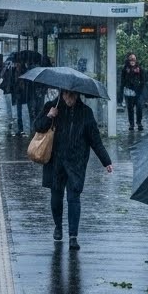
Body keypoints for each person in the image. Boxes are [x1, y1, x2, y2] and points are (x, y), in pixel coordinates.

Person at [34, 89, 112, 250]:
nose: (71, 98)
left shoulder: (86, 113)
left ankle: (73, 236)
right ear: (62, 94)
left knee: (73, 198)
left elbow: (95, 139)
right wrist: (49, 116)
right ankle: (58, 226)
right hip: (55, 161)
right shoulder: (51, 106)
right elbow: (38, 126)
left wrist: (106, 161)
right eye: (68, 94)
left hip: (76, 163)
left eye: (74, 95)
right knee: (56, 197)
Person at [121, 53, 148, 131]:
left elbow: (143, 80)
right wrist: (121, 90)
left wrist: (140, 90)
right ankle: (131, 124)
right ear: (128, 61)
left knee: (139, 107)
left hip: (138, 91)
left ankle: (139, 123)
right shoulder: (125, 69)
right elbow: (122, 81)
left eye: (134, 59)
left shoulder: (140, 69)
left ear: (136, 61)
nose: (132, 61)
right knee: (130, 108)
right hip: (129, 91)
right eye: (131, 59)